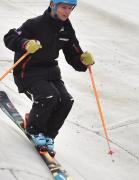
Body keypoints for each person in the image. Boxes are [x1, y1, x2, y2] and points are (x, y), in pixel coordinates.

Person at [4, 0, 94, 154]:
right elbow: (10, 37)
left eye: (70, 8)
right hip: (28, 72)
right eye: (63, 7)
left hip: (51, 73)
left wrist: (83, 60)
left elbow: (74, 56)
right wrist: (25, 43)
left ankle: (48, 135)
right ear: (53, 5)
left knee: (66, 101)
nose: (67, 12)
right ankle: (33, 129)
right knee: (49, 97)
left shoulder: (67, 30)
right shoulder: (35, 24)